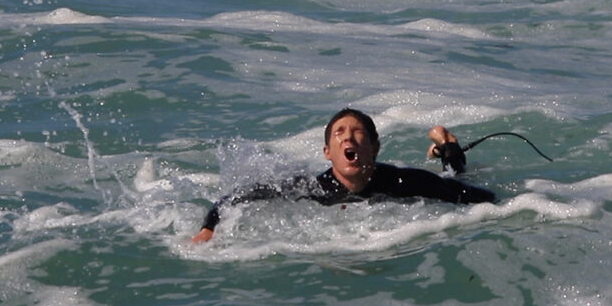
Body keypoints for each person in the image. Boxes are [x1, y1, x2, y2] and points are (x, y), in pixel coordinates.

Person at [191, 108, 496, 243]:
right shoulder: (313, 188)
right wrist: (208, 229)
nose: (348, 139)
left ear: (374, 148)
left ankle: (447, 145)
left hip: (441, 178)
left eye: (358, 133)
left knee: (455, 174)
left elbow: (477, 197)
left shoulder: (400, 182)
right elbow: (238, 196)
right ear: (328, 152)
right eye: (339, 134)